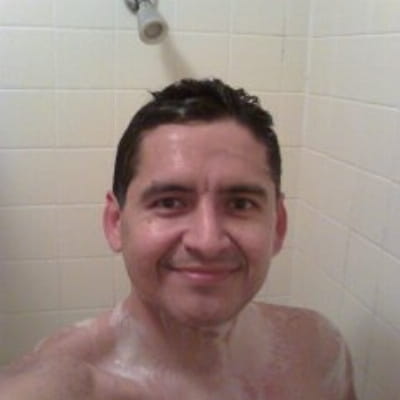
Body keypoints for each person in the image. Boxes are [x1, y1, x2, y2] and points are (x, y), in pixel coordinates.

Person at [0, 78, 357, 399]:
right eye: (169, 202)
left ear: (277, 226)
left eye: (240, 204)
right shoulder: (70, 383)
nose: (208, 241)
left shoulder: (319, 352)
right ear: (115, 222)